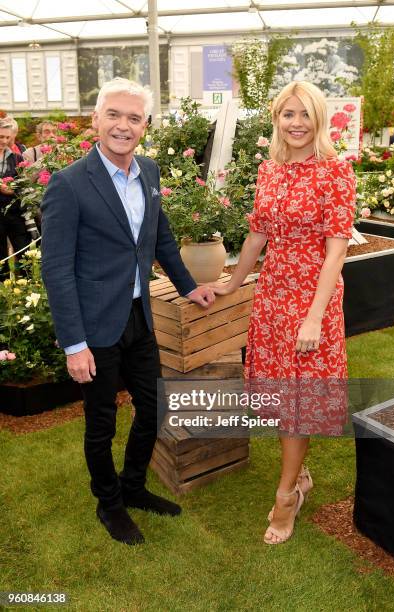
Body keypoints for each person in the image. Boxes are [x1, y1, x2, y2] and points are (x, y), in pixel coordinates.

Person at [41, 77, 215, 546]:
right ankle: (109, 502)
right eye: (113, 115)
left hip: (140, 316)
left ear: (146, 126)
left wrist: (189, 287)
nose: (123, 125)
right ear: (96, 120)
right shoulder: (69, 184)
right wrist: (74, 344)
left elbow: (159, 239)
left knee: (154, 405)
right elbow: (56, 269)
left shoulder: (150, 173)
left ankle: (133, 486)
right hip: (95, 327)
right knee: (101, 422)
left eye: (134, 118)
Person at [211, 81, 356, 545]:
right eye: (287, 114)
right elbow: (257, 234)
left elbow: (336, 253)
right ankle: (299, 477)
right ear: (276, 119)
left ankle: (285, 496)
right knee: (280, 397)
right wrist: (234, 280)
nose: (296, 123)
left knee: (300, 402)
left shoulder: (335, 172)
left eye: (305, 114)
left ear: (318, 119)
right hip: (273, 294)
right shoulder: (269, 170)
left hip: (314, 296)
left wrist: (314, 316)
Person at [0, 118, 31, 279]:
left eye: (7, 137)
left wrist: (12, 189)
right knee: (1, 257)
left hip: (14, 213)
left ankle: (28, 286)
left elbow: (24, 186)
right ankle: (3, 294)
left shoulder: (17, 159)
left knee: (24, 251)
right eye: (1, 137)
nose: (4, 141)